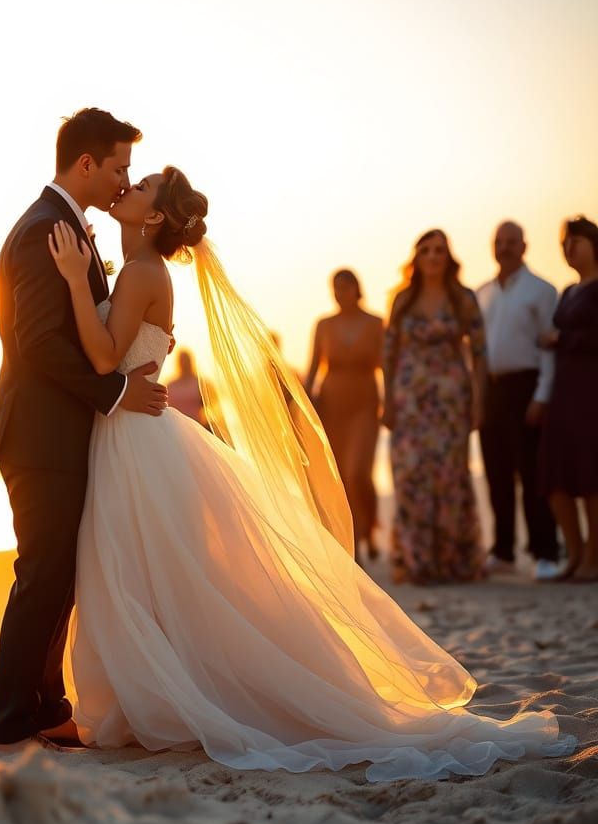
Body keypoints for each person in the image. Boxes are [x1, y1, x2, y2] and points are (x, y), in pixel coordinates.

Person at [46, 164, 572, 780]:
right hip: (134, 433)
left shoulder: (140, 272)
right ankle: (150, 697)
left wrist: (75, 287)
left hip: (135, 439)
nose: (127, 189)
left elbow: (107, 356)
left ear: (156, 216)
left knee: (133, 569)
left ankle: (157, 700)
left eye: (140, 189)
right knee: (144, 571)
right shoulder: (143, 270)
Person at [0, 108, 168, 746]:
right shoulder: (45, 230)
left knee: (60, 572)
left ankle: (46, 707)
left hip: (60, 432)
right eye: (118, 167)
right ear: (85, 164)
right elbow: (37, 343)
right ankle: (11, 718)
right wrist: (114, 390)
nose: (124, 179)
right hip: (39, 434)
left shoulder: (67, 226)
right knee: (42, 573)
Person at [382, 230, 487, 585]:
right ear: (416, 258)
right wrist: (387, 402)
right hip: (409, 400)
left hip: (451, 403)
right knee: (411, 474)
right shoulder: (403, 300)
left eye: (439, 250)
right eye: (426, 250)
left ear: (449, 256)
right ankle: (417, 561)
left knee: (448, 477)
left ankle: (450, 561)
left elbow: (480, 352)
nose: (433, 256)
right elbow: (388, 351)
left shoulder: (463, 299)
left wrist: (479, 400)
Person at [476, 222, 560, 580]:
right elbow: (476, 353)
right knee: (496, 474)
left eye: (512, 242)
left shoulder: (542, 290)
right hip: (491, 389)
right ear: (492, 246)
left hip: (526, 387)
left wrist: (543, 394)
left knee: (531, 473)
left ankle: (545, 552)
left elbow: (549, 348)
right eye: (500, 241)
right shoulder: (481, 292)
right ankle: (504, 551)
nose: (505, 247)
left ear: (524, 246)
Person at [305, 269, 383, 564]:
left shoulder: (375, 323)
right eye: (335, 288)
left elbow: (386, 366)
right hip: (332, 405)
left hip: (365, 403)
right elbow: (313, 368)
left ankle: (369, 528)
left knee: (358, 473)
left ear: (356, 288)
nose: (340, 293)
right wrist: (305, 404)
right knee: (339, 477)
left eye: (345, 287)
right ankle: (355, 546)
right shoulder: (323, 325)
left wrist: (391, 404)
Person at [539, 216, 598, 583]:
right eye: (564, 243)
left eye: (576, 241)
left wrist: (561, 340)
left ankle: (593, 555)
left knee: (591, 475)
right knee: (554, 475)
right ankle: (575, 553)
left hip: (592, 392)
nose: (569, 248)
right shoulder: (568, 291)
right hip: (563, 391)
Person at [167, 350, 211, 431]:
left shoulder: (200, 383)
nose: (184, 364)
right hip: (176, 428)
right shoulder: (170, 385)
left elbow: (209, 404)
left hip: (197, 426)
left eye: (186, 361)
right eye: (182, 361)